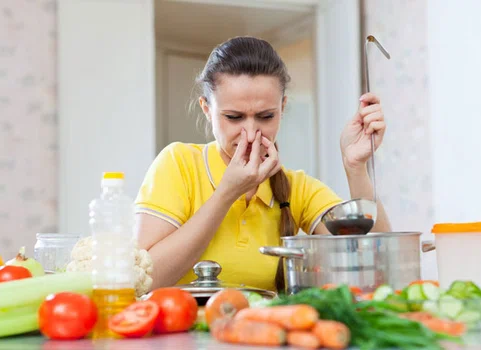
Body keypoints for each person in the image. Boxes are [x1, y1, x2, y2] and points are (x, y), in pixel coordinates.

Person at [134, 36, 392, 292]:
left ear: (283, 107)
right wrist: (227, 192)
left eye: (266, 116)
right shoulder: (179, 164)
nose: (251, 132)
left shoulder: (296, 188)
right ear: (206, 109)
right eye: (234, 117)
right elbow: (144, 282)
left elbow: (375, 264)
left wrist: (356, 167)